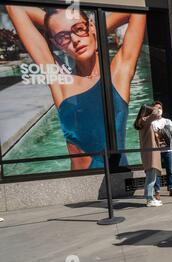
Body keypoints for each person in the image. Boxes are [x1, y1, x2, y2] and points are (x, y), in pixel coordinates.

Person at [5, 6, 146, 170]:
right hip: (78, 184)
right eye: (64, 37)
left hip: (117, 176)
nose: (75, 40)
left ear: (92, 27)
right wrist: (60, 24)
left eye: (79, 29)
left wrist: (91, 31)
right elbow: (15, 8)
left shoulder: (118, 74)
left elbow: (136, 11)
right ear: (58, 44)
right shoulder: (60, 80)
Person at [151, 101, 172, 200]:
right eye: (156, 108)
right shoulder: (151, 122)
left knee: (170, 170)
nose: (158, 109)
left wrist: (163, 132)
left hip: (168, 149)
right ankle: (157, 191)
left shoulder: (167, 121)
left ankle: (171, 189)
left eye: (159, 107)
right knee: (157, 171)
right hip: (156, 151)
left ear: (162, 110)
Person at [134, 104, 162, 207]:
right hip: (150, 153)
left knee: (151, 177)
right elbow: (157, 113)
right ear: (146, 112)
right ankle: (149, 199)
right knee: (151, 178)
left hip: (149, 153)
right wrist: (153, 108)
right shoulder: (145, 120)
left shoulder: (143, 121)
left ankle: (150, 198)